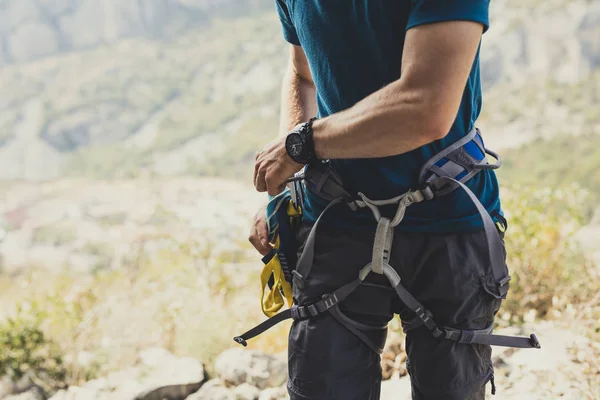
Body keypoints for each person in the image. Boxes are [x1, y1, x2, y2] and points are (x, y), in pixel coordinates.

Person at [250, 1, 505, 399]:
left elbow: (425, 106)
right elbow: (303, 76)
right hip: (337, 218)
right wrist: (287, 187)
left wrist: (301, 145)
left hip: (446, 220)